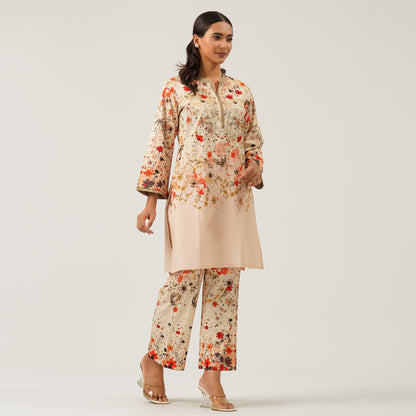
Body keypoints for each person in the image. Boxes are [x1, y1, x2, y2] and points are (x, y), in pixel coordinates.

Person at [135, 11, 264, 412]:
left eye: (230, 38)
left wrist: (256, 165)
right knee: (183, 284)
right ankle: (154, 361)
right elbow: (161, 143)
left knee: (225, 285)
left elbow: (253, 139)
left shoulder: (241, 91)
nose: (224, 45)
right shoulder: (176, 90)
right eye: (216, 37)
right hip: (191, 199)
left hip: (233, 201)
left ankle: (213, 375)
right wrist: (151, 201)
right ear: (197, 39)